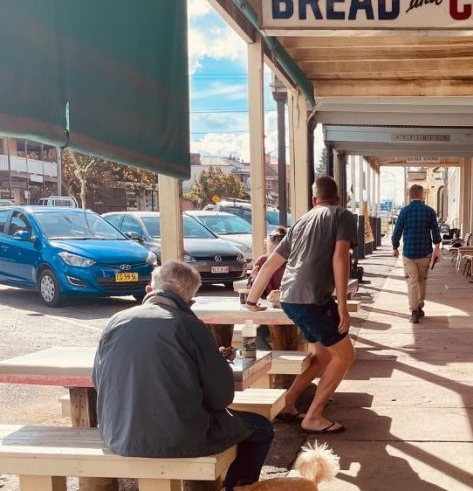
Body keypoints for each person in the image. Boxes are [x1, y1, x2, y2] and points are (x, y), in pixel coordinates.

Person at [92, 261, 274, 490]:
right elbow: (221, 397)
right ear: (190, 301)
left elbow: (98, 382)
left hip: (116, 435)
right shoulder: (189, 325)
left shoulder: (115, 321)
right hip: (181, 438)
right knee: (261, 427)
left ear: (150, 290)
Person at [245, 175, 357, 434]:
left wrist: (252, 299)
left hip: (290, 298)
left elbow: (271, 262)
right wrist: (342, 305)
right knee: (346, 355)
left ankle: (288, 403)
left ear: (314, 200)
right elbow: (340, 257)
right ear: (338, 198)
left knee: (324, 354)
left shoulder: (301, 221)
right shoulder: (342, 216)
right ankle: (313, 416)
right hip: (312, 298)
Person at [391, 184, 442, 324]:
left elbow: (397, 232)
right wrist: (437, 250)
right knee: (422, 281)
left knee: (412, 282)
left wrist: (395, 247)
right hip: (425, 252)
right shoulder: (430, 211)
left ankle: (414, 311)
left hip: (409, 253)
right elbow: (436, 234)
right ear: (422, 195)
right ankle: (420, 306)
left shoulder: (404, 211)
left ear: (410, 195)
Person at [246, 227, 288, 349]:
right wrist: (254, 278)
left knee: (286, 336)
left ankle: (281, 363)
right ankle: (269, 362)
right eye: (272, 237)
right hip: (271, 313)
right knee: (257, 334)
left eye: (279, 238)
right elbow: (250, 292)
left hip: (292, 312)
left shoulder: (292, 262)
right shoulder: (263, 260)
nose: (274, 241)